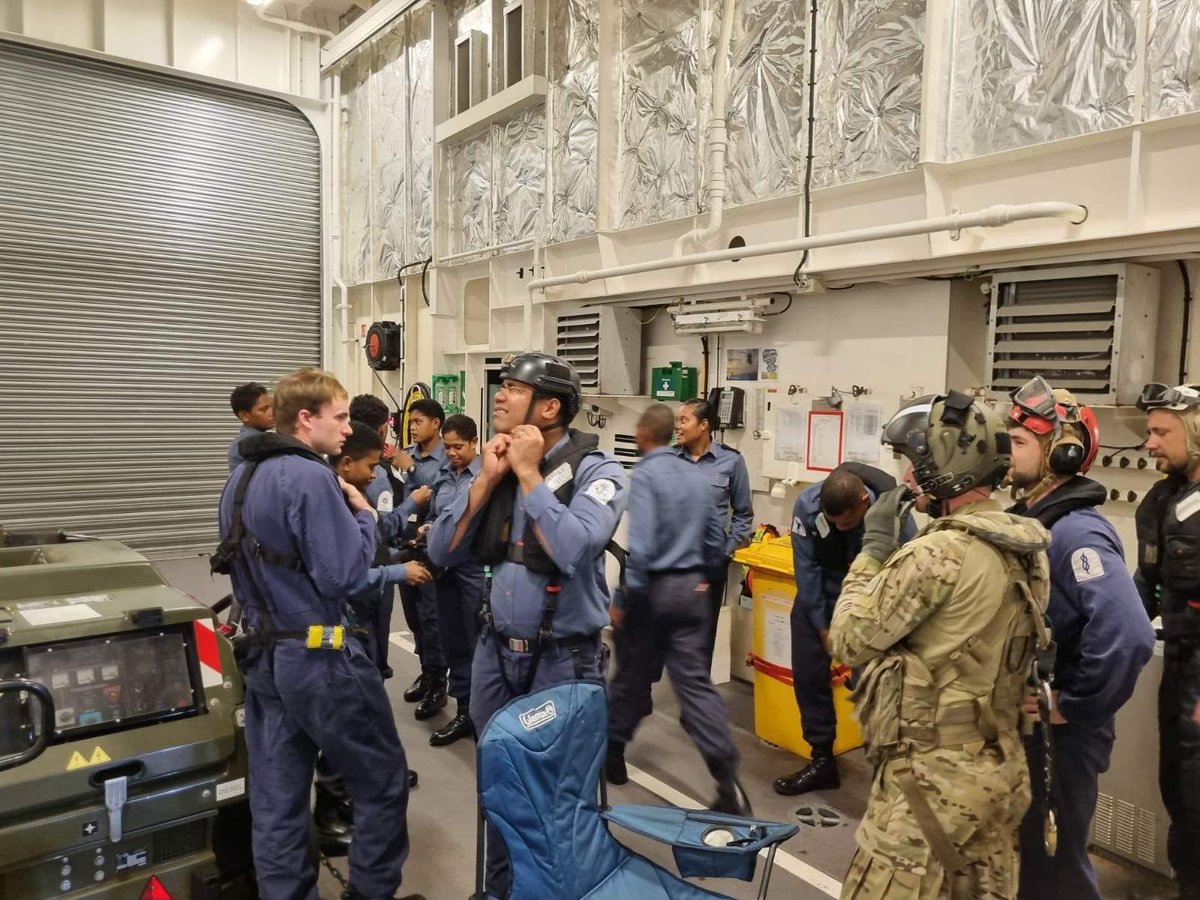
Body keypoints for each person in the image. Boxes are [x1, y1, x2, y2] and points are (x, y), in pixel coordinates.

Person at [829, 391, 1052, 900]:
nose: (907, 479)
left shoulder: (937, 552)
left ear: (946, 467)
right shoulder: (1028, 548)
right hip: (999, 773)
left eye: (914, 464)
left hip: (930, 785)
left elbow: (849, 639)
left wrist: (872, 552)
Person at [215, 368, 420, 900]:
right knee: (382, 780)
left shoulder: (240, 476)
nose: (349, 429)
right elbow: (346, 576)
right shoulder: (309, 476)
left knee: (278, 802)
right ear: (306, 420)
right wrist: (364, 517)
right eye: (341, 416)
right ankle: (370, 892)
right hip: (321, 659)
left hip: (264, 658)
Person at [427, 352, 625, 899]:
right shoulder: (491, 469)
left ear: (550, 406)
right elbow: (439, 549)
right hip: (496, 652)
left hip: (563, 658)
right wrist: (488, 483)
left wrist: (530, 474)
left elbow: (575, 548)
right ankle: (497, 891)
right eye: (502, 386)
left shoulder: (598, 472)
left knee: (560, 794)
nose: (499, 395)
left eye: (514, 388)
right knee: (498, 783)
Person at [1004, 377, 1154, 899]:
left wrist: (1074, 705)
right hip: (1035, 732)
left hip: (1061, 739)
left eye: (1020, 442)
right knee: (1029, 864)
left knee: (1057, 871)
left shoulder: (1076, 533)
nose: (1008, 450)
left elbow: (1128, 633)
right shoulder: (1028, 521)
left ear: (1060, 456)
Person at [605, 403, 747, 813]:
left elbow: (643, 546)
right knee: (695, 686)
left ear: (644, 434)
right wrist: (702, 576)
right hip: (692, 591)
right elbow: (712, 535)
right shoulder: (698, 476)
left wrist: (623, 598)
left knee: (630, 678)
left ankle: (612, 754)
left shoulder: (645, 475)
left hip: (653, 592)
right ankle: (726, 780)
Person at [315, 421, 431, 853]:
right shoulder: (338, 502)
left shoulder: (332, 493)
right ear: (345, 463)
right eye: (367, 465)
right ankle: (336, 809)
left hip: (338, 627)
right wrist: (397, 568)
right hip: (334, 630)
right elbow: (347, 573)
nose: (373, 473)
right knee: (350, 717)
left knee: (355, 713)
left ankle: (344, 796)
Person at [774, 462, 916, 796]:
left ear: (865, 502)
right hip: (822, 591)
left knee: (872, 684)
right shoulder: (808, 505)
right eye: (833, 522)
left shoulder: (894, 512)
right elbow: (805, 570)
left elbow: (907, 571)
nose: (839, 529)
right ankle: (822, 760)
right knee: (809, 677)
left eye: (847, 523)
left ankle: (887, 773)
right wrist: (824, 628)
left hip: (872, 599)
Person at [1135, 382, 1200, 900]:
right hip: (1178, 663)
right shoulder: (1163, 499)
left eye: (1161, 432)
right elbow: (1147, 587)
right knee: (1178, 790)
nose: (1149, 443)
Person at [672, 397, 753, 660]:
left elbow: (743, 513)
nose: (678, 427)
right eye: (677, 420)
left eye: (684, 420)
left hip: (708, 565)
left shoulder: (731, 461)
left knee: (702, 639)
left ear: (704, 425)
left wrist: (726, 551)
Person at [424, 414, 484, 747]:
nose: (452, 453)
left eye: (459, 447)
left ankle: (484, 713)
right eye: (447, 447)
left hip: (475, 571)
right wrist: (428, 527)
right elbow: (436, 515)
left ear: (474, 442)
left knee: (480, 643)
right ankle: (463, 711)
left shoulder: (488, 477)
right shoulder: (442, 476)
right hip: (444, 570)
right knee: (454, 641)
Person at [384, 398, 447, 709]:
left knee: (432, 615)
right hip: (406, 542)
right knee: (413, 616)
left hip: (432, 543)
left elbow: (437, 492)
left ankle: (439, 680)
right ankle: (426, 671)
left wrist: (410, 470)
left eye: (419, 421)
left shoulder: (447, 456)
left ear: (436, 423)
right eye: (410, 421)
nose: (412, 426)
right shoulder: (406, 453)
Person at [350, 393, 399, 511]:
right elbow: (388, 525)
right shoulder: (383, 473)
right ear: (382, 430)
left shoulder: (329, 463)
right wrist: (413, 502)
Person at [228, 382, 274, 472]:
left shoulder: (244, 440)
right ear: (244, 416)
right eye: (264, 409)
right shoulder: (253, 442)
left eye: (272, 407)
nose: (272, 413)